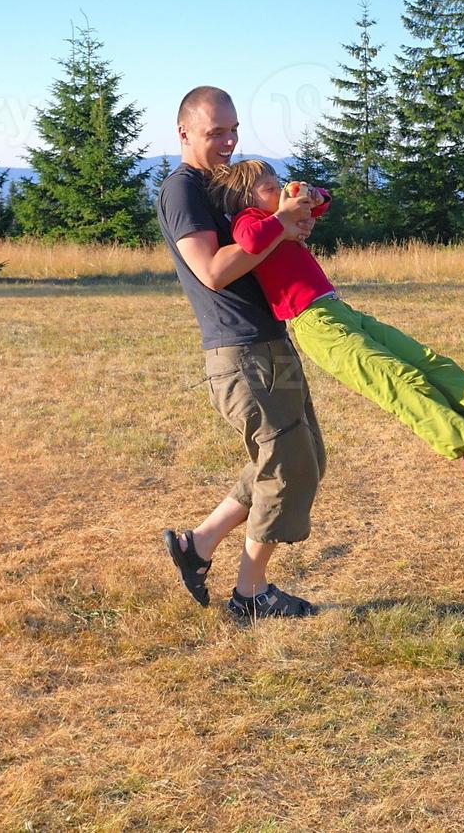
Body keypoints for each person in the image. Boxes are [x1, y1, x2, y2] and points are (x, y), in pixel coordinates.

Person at [212, 159, 464, 479]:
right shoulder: (250, 221)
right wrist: (283, 217)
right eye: (269, 188)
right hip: (314, 324)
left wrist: (315, 196)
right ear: (246, 198)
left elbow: (323, 204)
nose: (281, 190)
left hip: (338, 310)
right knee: (395, 378)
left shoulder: (279, 219)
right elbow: (250, 241)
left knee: (424, 360)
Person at [156, 86, 329, 622]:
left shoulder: (225, 183)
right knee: (288, 465)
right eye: (215, 133)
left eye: (233, 130)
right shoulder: (183, 190)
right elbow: (212, 270)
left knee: (305, 459)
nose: (228, 142)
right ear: (183, 131)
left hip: (271, 339)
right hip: (240, 351)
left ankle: (199, 544)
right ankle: (250, 594)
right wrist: (278, 226)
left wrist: (293, 219)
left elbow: (260, 242)